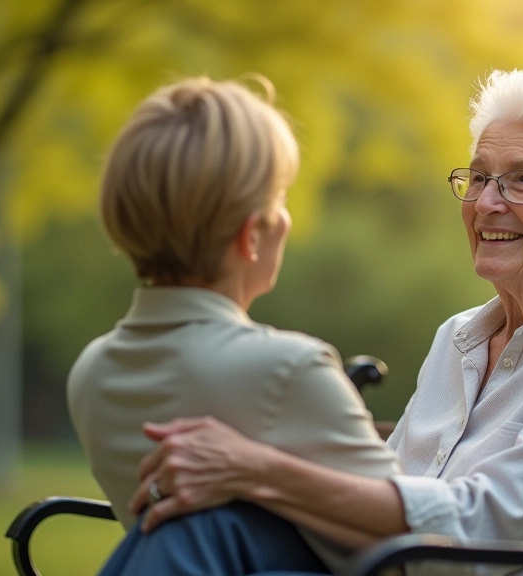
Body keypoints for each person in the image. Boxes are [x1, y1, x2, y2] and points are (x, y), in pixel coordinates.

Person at [126, 66, 523, 574]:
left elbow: (484, 532)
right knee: (202, 527)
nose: (486, 202)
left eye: (522, 180)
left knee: (205, 533)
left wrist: (259, 471)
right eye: (479, 177)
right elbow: (383, 499)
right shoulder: (459, 338)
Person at [66, 76, 401, 575]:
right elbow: (422, 542)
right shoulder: (288, 368)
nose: (286, 218)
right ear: (250, 236)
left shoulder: (91, 373)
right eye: (280, 198)